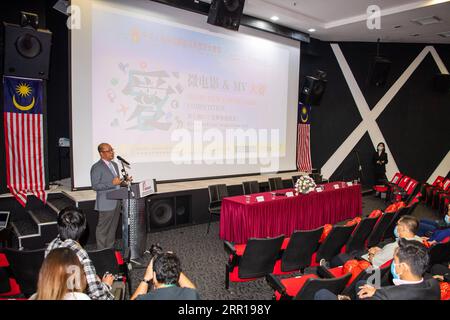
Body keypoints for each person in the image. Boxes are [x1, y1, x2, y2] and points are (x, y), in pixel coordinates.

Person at [315, 239, 441, 300]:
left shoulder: (386, 297)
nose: (392, 263)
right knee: (362, 285)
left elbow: (392, 295)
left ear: (403, 268)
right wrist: (377, 291)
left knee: (322, 294)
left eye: (395, 262)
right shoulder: (433, 284)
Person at [46, 207, 115, 300]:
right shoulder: (80, 254)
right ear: (83, 228)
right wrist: (106, 285)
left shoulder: (51, 246)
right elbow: (97, 294)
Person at [90, 143, 123, 250]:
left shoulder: (115, 165)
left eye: (111, 150)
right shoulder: (96, 167)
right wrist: (112, 183)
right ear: (101, 153)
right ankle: (101, 252)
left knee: (112, 229)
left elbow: (116, 182)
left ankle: (109, 250)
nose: (112, 152)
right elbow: (95, 186)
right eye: (108, 151)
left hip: (116, 201)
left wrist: (124, 182)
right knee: (102, 229)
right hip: (105, 203)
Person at [131, 252, 199, 300]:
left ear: (154, 276)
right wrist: (172, 265)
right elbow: (191, 289)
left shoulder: (144, 298)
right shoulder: (191, 295)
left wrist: (145, 279)